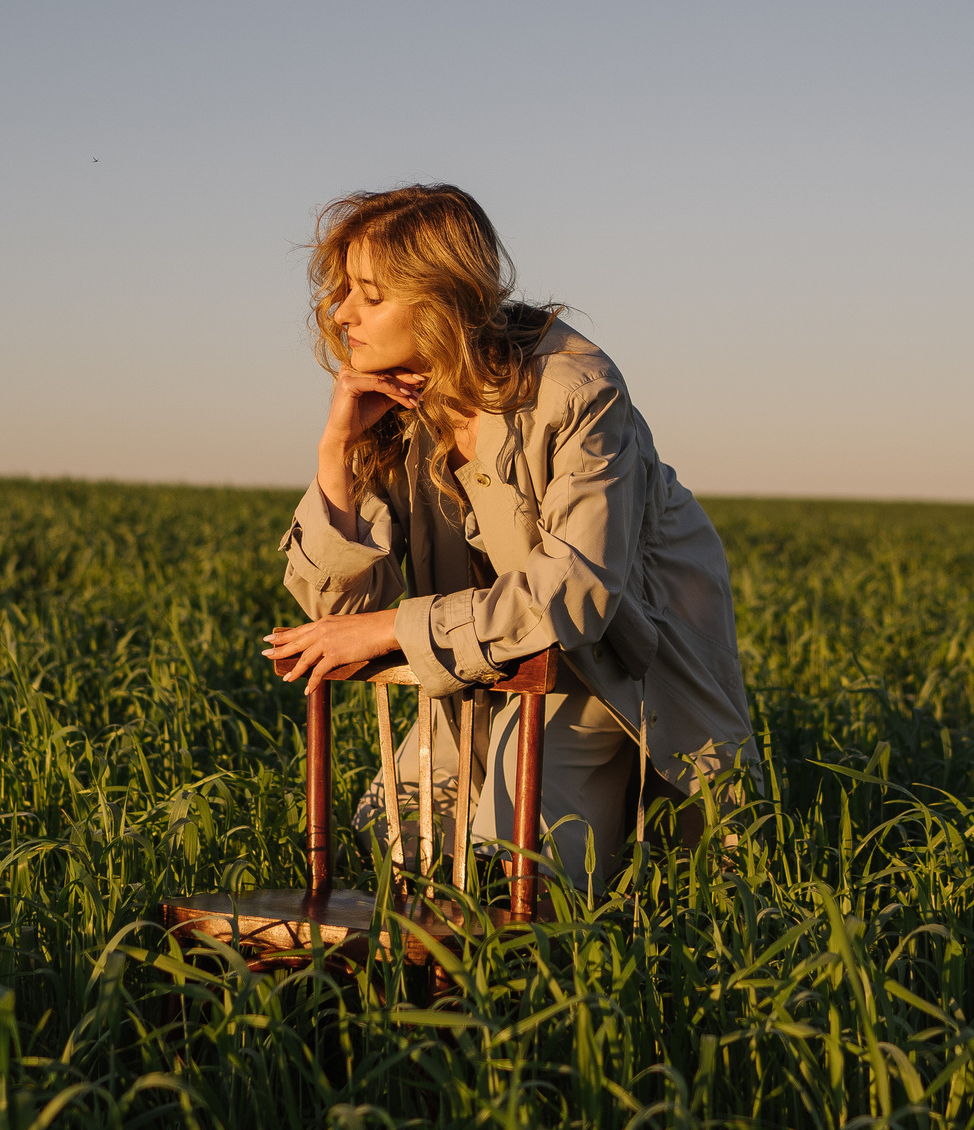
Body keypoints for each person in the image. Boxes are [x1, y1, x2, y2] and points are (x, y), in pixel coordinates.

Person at [262, 184, 755, 896]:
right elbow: (340, 612)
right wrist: (335, 454)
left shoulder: (578, 389)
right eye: (342, 293)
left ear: (437, 296)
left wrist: (389, 628)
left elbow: (577, 591)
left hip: (606, 666)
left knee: (519, 860)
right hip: (478, 660)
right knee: (390, 847)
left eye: (369, 295)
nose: (343, 315)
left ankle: (541, 994)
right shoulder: (397, 399)